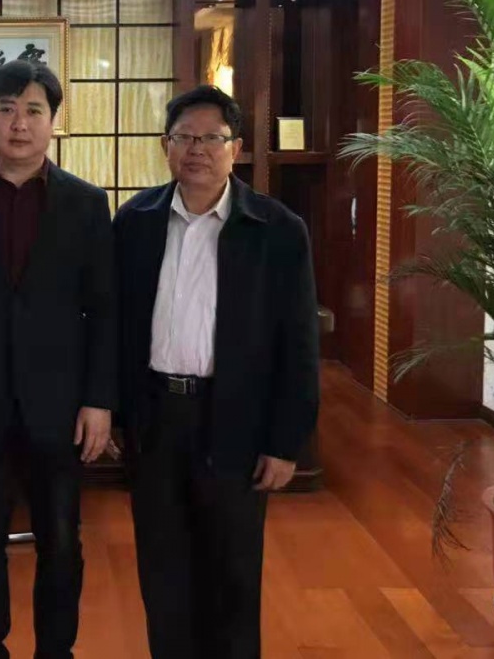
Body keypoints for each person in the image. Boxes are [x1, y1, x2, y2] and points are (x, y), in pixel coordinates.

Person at [113, 85, 319, 659]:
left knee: (232, 571)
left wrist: (285, 442)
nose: (196, 149)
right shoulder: (135, 222)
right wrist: (117, 413)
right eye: (183, 137)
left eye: (211, 138)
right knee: (162, 569)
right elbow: (114, 326)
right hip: (156, 417)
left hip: (236, 420)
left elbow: (299, 344)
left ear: (237, 148)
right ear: (165, 146)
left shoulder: (277, 230)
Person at [0, 60, 117, 659]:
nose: (19, 123)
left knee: (61, 538)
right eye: (5, 109)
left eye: (33, 110)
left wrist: (99, 400)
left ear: (53, 121)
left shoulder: (87, 204)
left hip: (60, 403)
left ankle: (55, 649)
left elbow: (105, 311)